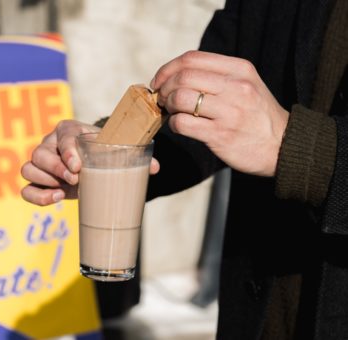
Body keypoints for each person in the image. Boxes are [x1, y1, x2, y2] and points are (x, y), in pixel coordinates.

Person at [20, 0, 348, 338]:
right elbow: (202, 109)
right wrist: (103, 150)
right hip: (259, 317)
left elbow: (274, 134)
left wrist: (299, 148)